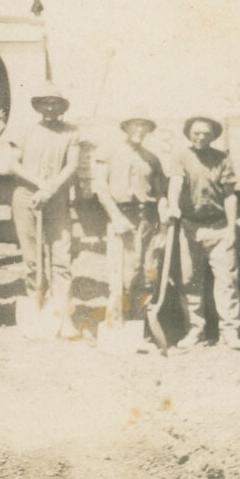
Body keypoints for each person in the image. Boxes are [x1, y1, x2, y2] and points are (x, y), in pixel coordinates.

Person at [166, 116, 240, 351]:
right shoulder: (181, 157)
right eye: (196, 133)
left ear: (212, 136)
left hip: (218, 227)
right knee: (190, 281)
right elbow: (176, 183)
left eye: (206, 134)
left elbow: (230, 195)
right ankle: (195, 331)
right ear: (189, 133)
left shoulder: (222, 159)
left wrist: (231, 228)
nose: (200, 137)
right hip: (191, 227)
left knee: (227, 281)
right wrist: (173, 205)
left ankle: (229, 332)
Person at [9, 82, 80, 338]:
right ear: (38, 106)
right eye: (45, 103)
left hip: (56, 198)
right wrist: (39, 184)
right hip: (27, 196)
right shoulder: (26, 130)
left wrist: (50, 189)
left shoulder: (70, 133)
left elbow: (71, 165)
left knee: (61, 258)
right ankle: (38, 309)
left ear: (62, 107)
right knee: (32, 259)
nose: (50, 108)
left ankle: (63, 317)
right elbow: (13, 165)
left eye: (55, 103)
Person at [93, 110, 165, 326]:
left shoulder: (152, 159)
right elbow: (100, 186)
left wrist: (163, 227)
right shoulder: (109, 150)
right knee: (123, 275)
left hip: (148, 219)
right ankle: (116, 323)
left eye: (144, 126)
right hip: (123, 216)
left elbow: (161, 194)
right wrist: (116, 217)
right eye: (135, 125)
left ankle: (138, 324)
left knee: (147, 273)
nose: (140, 130)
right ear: (126, 128)